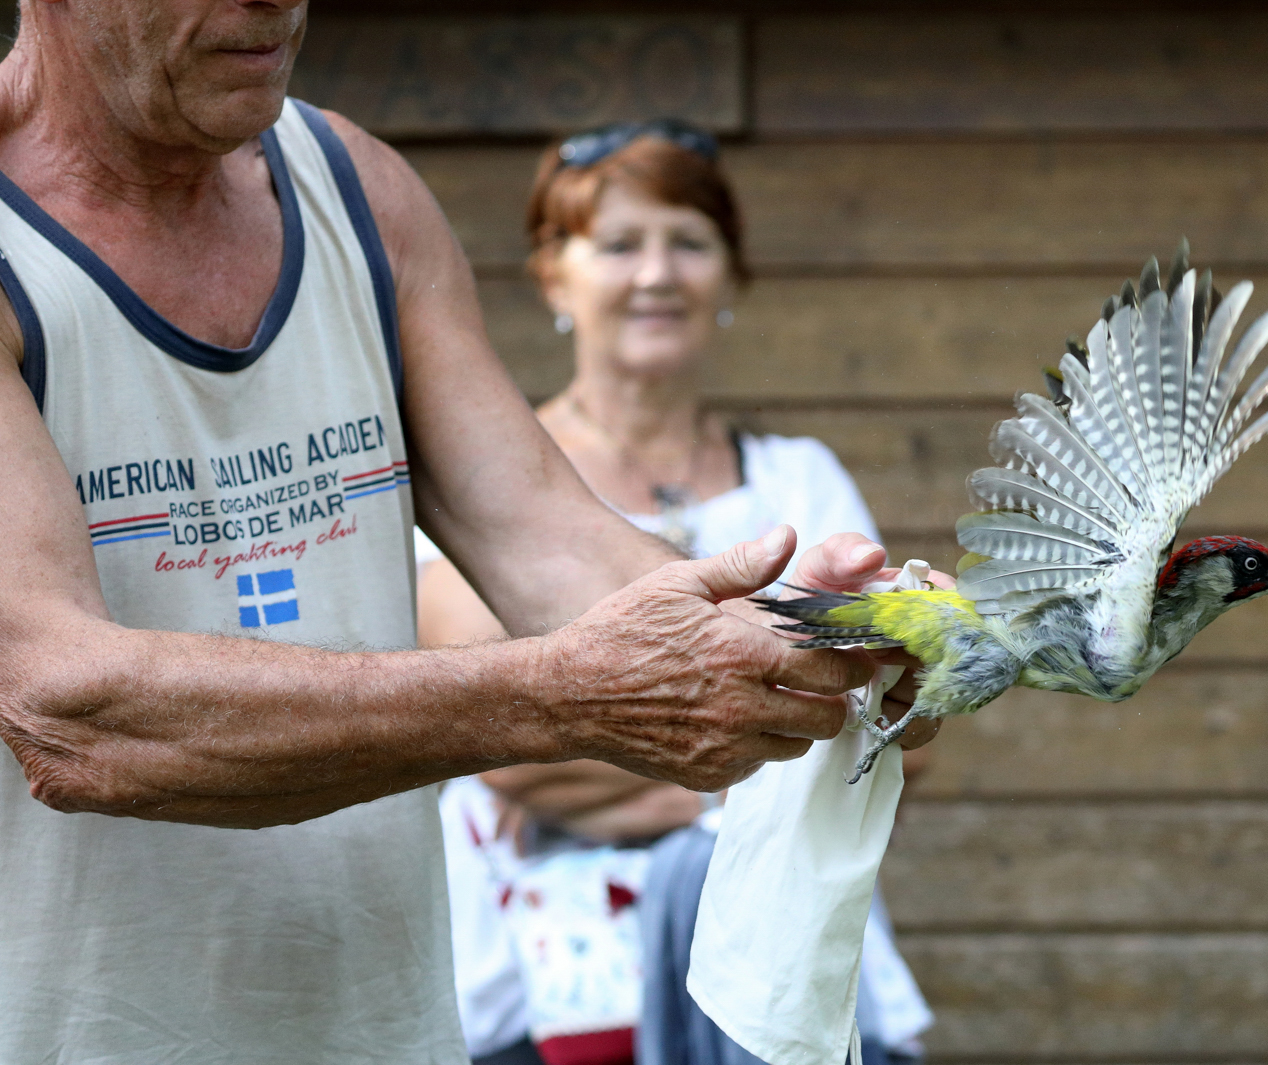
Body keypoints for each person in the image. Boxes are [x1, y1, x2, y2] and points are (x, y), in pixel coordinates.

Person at [0, 2, 936, 1062]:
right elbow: (70, 715)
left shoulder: (355, 188)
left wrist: (800, 641)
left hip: (391, 1032)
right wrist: (561, 694)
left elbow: (543, 536)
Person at [417, 121, 933, 1065]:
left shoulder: (800, 480)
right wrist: (769, 758)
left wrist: (619, 743)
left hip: (785, 967)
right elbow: (499, 745)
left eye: (689, 243)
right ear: (553, 278)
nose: (657, 274)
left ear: (731, 277)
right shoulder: (485, 480)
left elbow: (896, 724)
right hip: (545, 993)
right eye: (619, 245)